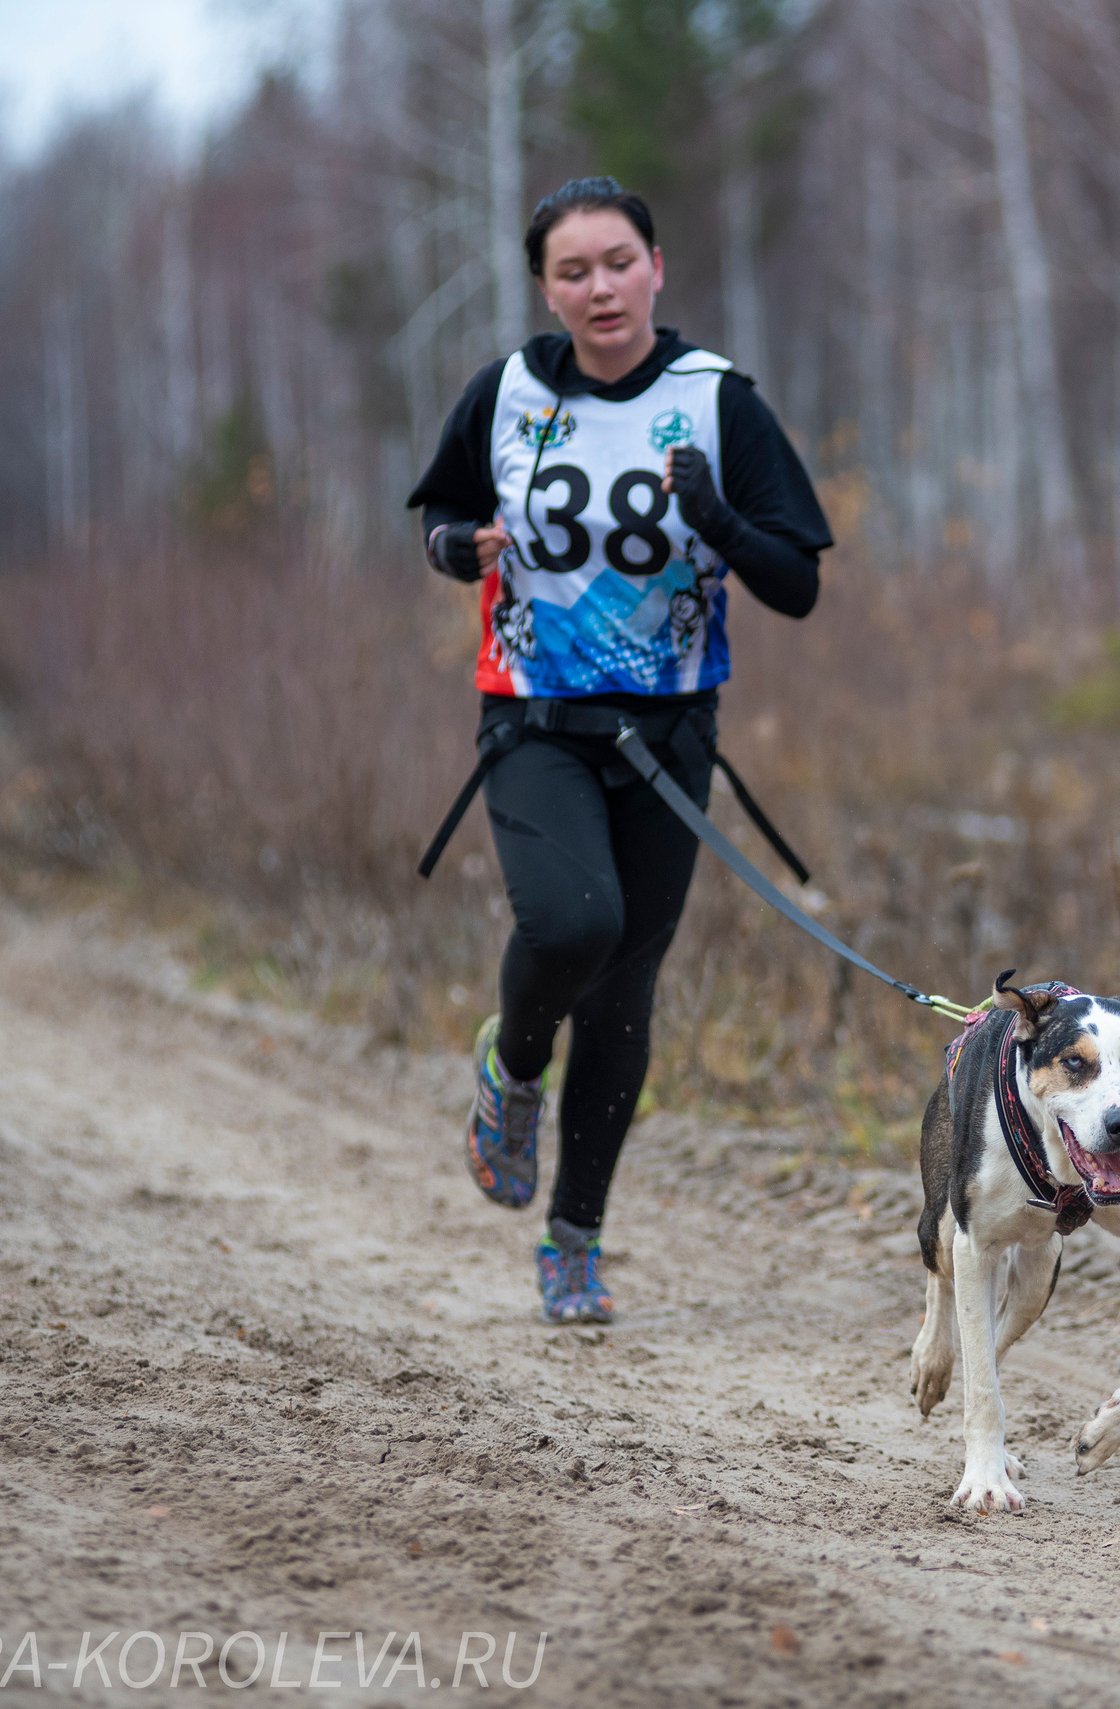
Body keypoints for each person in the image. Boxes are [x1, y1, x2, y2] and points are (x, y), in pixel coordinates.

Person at [407, 176, 831, 1324]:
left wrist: (723, 520)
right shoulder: (503, 394)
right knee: (574, 922)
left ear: (657, 267)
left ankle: (574, 1241)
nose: (598, 287)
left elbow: (795, 581)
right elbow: (440, 515)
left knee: (628, 991)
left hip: (669, 734)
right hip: (534, 717)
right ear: (545, 288)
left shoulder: (715, 402)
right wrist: (456, 547)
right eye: (572, 270)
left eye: (617, 262)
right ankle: (513, 1069)